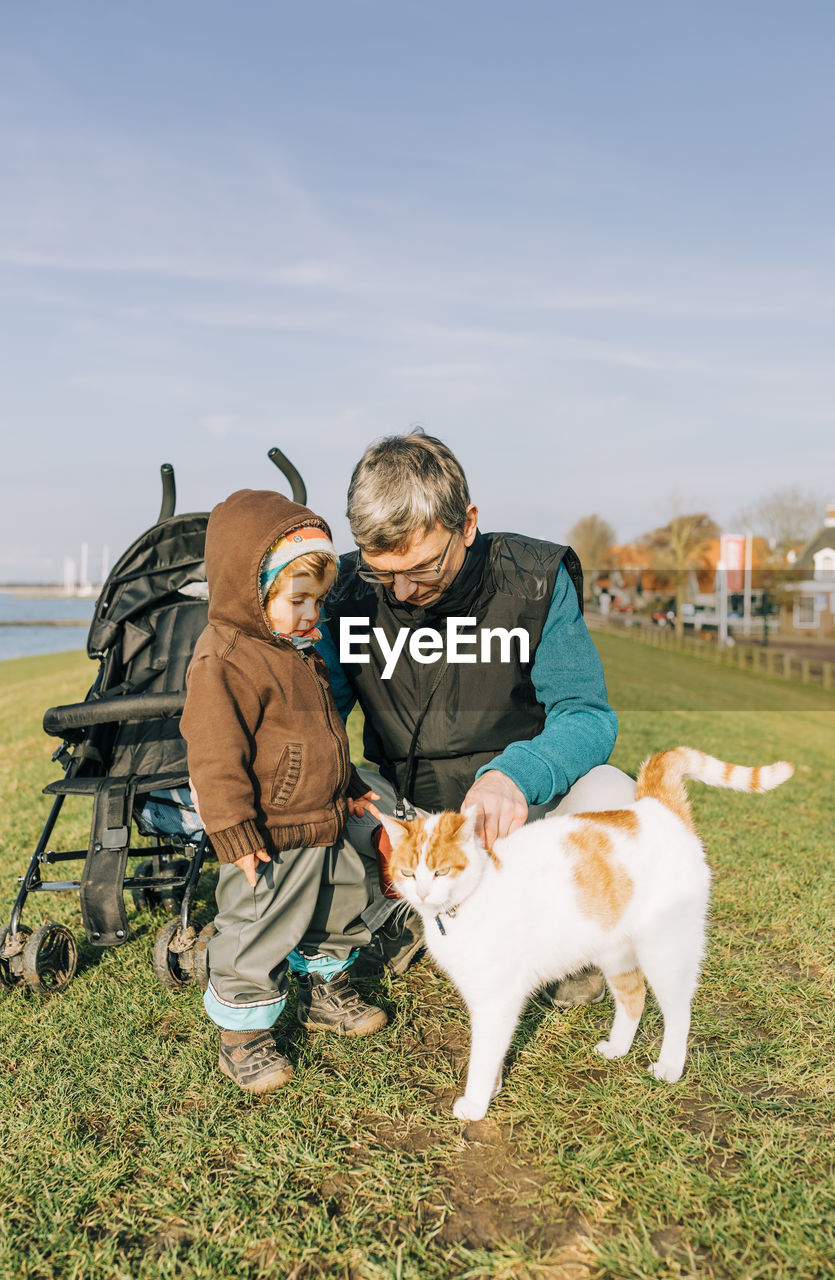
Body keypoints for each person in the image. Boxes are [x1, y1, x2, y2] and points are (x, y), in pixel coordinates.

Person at [316, 432, 636, 1005]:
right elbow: (323, 720)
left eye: (422, 567)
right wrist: (332, 782)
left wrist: (518, 774)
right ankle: (392, 917)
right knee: (304, 785)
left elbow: (586, 714)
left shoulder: (536, 579)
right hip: (404, 814)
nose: (404, 591)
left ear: (467, 523)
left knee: (617, 795)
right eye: (381, 572)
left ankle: (573, 941)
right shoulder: (343, 591)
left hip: (519, 818)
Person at [181, 489, 387, 1094]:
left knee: (337, 904)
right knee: (256, 924)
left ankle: (325, 989)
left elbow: (322, 733)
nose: (311, 615)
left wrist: (346, 784)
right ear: (251, 588)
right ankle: (242, 1034)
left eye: (317, 602)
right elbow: (214, 756)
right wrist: (233, 831)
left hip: (321, 818)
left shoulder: (300, 651)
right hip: (267, 833)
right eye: (297, 600)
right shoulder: (223, 659)